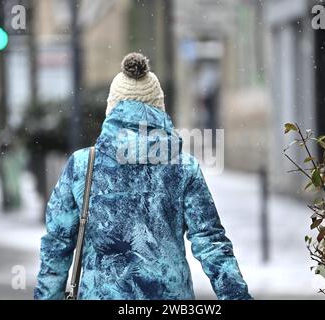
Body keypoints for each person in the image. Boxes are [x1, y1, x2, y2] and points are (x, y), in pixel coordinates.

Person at [34, 53, 252, 300]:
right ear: (159, 108)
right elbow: (211, 243)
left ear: (112, 109)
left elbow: (57, 244)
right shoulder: (182, 167)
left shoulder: (84, 165)